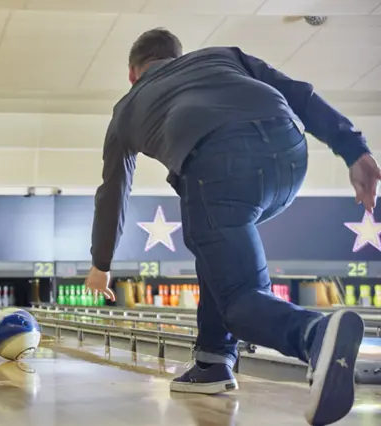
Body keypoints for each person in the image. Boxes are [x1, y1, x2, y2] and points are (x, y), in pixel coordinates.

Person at [84, 28, 381, 425]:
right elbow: (301, 94)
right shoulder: (223, 55)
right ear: (179, 56)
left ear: (132, 74)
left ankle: (314, 335)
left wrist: (101, 263)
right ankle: (212, 360)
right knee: (212, 249)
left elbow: (114, 192)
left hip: (218, 163)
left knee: (239, 299)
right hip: (288, 155)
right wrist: (354, 149)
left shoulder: (127, 108)